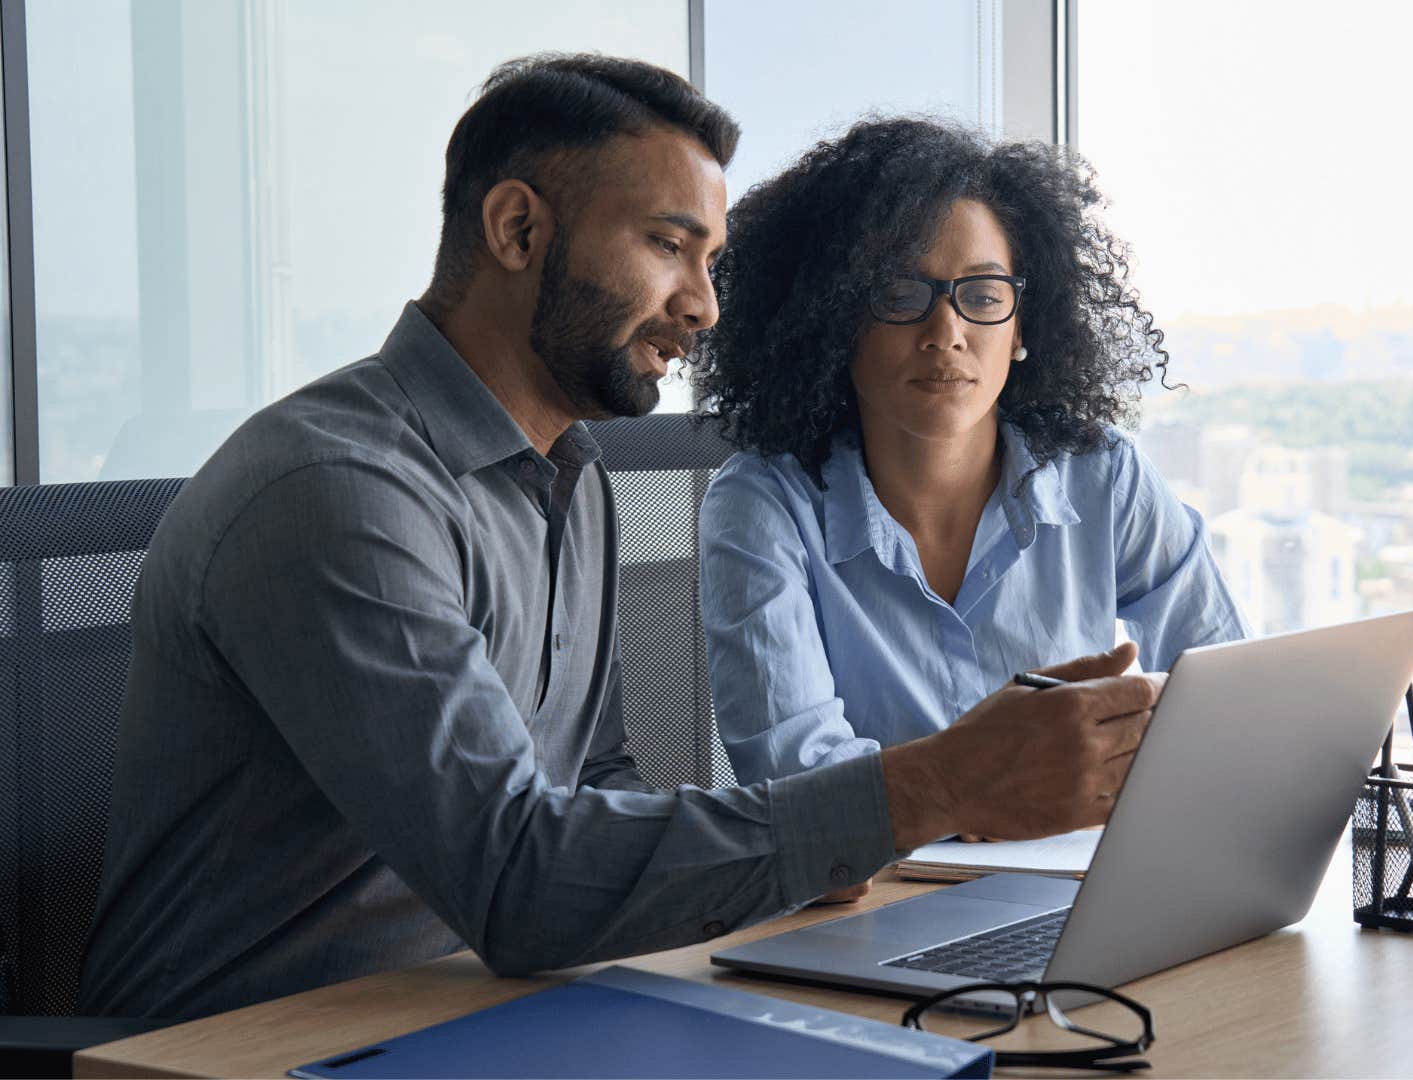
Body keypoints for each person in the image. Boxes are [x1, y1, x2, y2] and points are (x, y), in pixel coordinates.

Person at [78, 55, 1161, 1022]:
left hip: (497, 1010)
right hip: (259, 1044)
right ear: (517, 231)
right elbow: (518, 881)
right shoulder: (338, 492)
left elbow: (594, 784)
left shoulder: (571, 475)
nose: (704, 306)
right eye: (667, 247)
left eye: (711, 260)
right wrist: (928, 788)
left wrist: (811, 842)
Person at [690, 118, 1247, 879]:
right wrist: (979, 795)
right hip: (873, 908)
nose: (945, 331)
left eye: (983, 294)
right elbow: (803, 788)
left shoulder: (1103, 475)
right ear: (833, 319)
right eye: (898, 293)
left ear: (1023, 326)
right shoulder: (762, 506)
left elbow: (1226, 695)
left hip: (1088, 886)